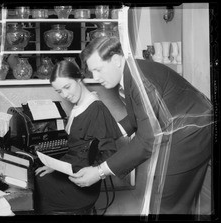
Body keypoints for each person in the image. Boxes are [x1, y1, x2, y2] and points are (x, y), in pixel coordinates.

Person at [69, 36, 213, 215]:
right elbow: (142, 114)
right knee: (173, 199)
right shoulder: (133, 71)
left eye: (98, 70)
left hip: (190, 134)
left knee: (165, 204)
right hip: (192, 127)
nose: (96, 78)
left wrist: (99, 172)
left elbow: (146, 142)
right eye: (92, 72)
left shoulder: (140, 81)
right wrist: (113, 132)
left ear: (115, 60)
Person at [34, 60, 122, 214]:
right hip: (72, 171)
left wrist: (95, 172)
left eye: (67, 87)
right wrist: (53, 166)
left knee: (38, 186)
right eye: (59, 91)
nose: (65, 95)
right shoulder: (79, 107)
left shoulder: (96, 109)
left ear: (79, 78)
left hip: (83, 183)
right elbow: (76, 151)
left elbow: (110, 153)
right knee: (38, 177)